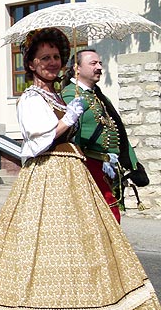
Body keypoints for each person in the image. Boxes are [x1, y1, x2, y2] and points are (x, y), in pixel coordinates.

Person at [0, 28, 161, 310]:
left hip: (74, 174)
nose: (52, 62)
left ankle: (100, 306)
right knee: (43, 243)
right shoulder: (31, 97)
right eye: (44, 58)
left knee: (86, 241)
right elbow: (37, 141)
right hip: (47, 173)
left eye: (56, 57)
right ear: (32, 65)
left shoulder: (59, 95)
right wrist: (67, 122)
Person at [61, 48, 147, 223]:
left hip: (106, 166)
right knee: (104, 217)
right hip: (88, 166)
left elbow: (117, 130)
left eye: (100, 63)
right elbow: (69, 135)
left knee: (110, 217)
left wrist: (132, 163)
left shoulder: (97, 96)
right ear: (77, 68)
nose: (99, 67)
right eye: (93, 63)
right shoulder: (71, 95)